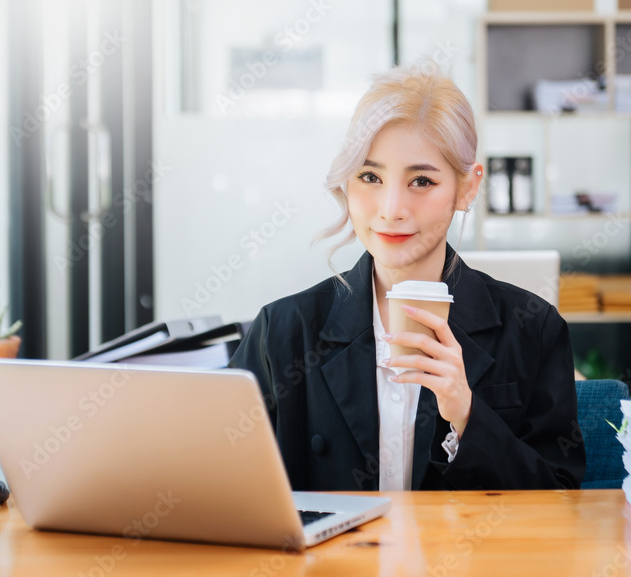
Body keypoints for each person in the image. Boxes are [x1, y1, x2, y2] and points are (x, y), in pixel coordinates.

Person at [227, 64, 585, 491]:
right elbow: (220, 483)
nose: (392, 207)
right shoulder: (282, 331)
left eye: (420, 180)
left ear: (467, 187)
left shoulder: (534, 330)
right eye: (370, 177)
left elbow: (561, 504)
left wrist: (467, 415)